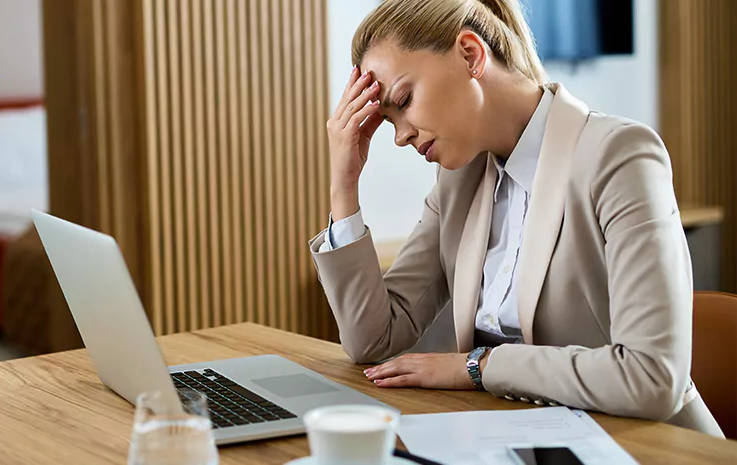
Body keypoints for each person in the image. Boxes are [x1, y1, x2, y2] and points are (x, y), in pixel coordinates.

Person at [309, 0, 723, 437]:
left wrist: (478, 366)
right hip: (519, 441)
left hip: (647, 447)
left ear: (470, 54)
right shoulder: (458, 182)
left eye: (404, 101)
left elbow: (650, 377)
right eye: (388, 120)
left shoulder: (619, 157)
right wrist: (344, 186)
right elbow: (373, 342)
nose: (400, 136)